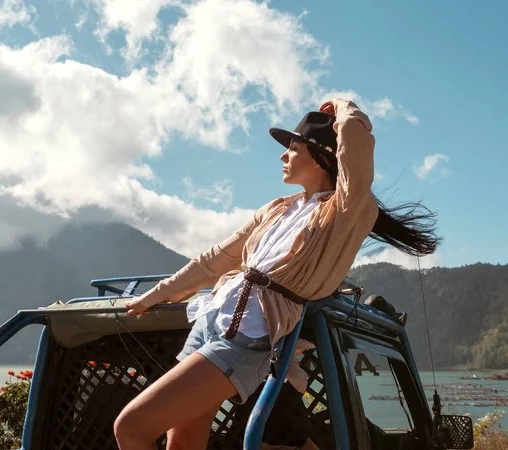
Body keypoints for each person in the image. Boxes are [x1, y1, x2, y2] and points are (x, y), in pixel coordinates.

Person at [114, 98, 439, 450]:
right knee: (183, 439)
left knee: (130, 427)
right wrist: (156, 294)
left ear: (320, 156)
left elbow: (355, 145)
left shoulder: (347, 210)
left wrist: (344, 107)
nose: (283, 156)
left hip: (249, 337)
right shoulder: (276, 209)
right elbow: (215, 260)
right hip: (211, 320)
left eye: (293, 148)